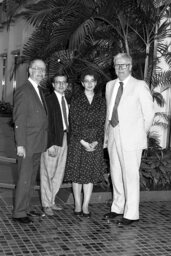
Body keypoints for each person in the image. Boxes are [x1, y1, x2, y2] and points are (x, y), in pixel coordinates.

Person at [103, 53, 155, 225]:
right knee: (116, 174)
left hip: (132, 139)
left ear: (130, 66)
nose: (120, 68)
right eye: (117, 65)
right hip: (113, 135)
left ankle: (131, 213)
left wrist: (139, 134)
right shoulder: (110, 85)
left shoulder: (139, 85)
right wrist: (106, 136)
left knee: (130, 176)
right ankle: (117, 207)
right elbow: (109, 112)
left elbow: (149, 115)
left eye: (124, 65)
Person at [64, 70, 106, 217]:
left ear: (95, 83)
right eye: (86, 81)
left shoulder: (101, 101)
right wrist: (83, 142)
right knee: (77, 175)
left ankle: (86, 205)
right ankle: (77, 204)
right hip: (78, 141)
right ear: (82, 83)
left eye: (92, 80)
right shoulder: (76, 100)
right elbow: (73, 123)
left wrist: (96, 141)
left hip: (95, 141)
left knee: (89, 175)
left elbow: (102, 123)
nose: (89, 83)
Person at [13, 59, 48, 224]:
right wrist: (20, 144)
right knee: (24, 178)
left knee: (30, 179)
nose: (40, 72)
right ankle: (19, 212)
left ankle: (25, 208)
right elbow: (19, 119)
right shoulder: (24, 90)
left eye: (43, 70)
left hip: (37, 143)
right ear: (30, 71)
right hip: (27, 144)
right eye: (36, 69)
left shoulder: (38, 90)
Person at [40, 71, 69, 216]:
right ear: (53, 85)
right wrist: (49, 144)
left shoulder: (66, 99)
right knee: (48, 173)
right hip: (52, 140)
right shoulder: (48, 100)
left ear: (67, 85)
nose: (61, 85)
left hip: (64, 138)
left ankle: (52, 201)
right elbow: (45, 124)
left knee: (58, 173)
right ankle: (46, 204)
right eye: (58, 82)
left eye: (63, 82)